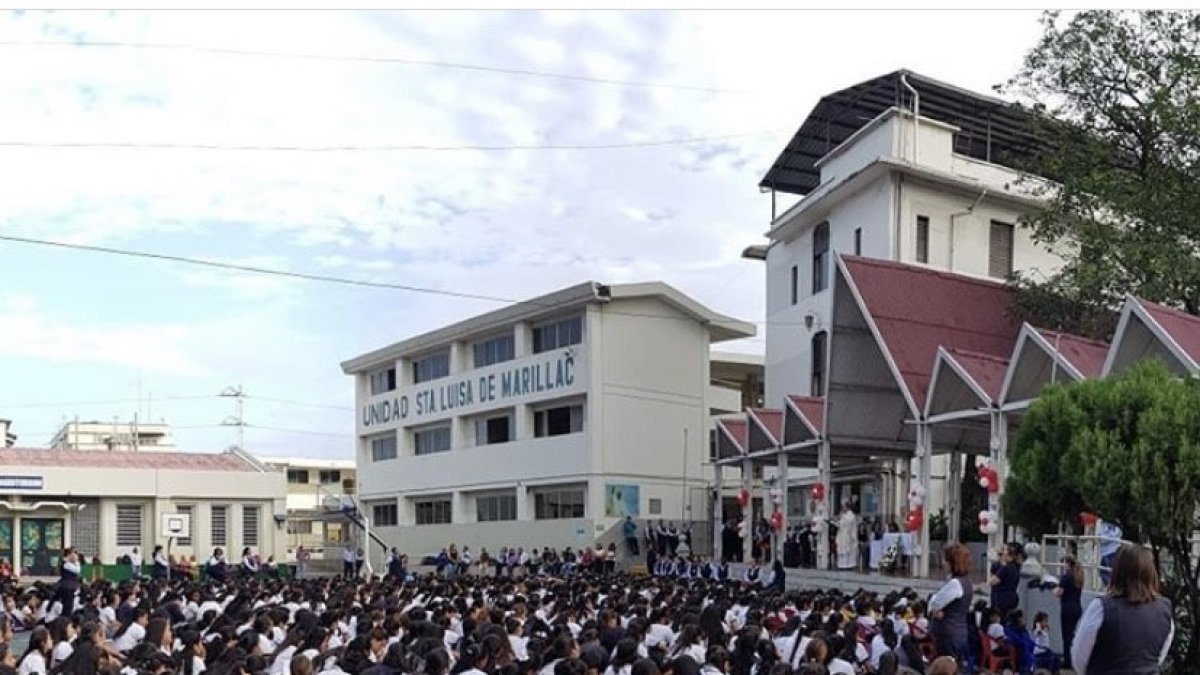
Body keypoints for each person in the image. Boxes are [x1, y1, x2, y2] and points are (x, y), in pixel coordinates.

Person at [1071, 544, 1173, 675]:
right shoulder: (1165, 610)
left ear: (1117, 571)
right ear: (1151, 573)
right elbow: (1158, 657)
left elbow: (1079, 657)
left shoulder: (1101, 608)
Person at [928, 543, 973, 668]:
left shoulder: (955, 584)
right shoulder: (966, 582)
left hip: (948, 633)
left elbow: (934, 603)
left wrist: (934, 609)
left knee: (946, 667)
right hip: (958, 630)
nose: (942, 563)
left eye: (945, 560)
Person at [1054, 554, 1084, 669]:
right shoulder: (1078, 576)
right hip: (1076, 607)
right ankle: (1073, 658)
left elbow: (1059, 593)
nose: (1063, 565)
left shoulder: (1066, 577)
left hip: (1067, 608)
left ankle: (1068, 661)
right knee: (1071, 634)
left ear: (1068, 564)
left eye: (1064, 563)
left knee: (1066, 636)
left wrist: (1053, 588)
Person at [988, 544, 1021, 616]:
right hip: (1012, 598)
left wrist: (1000, 567)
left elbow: (992, 581)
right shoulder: (1016, 567)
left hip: (1001, 600)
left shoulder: (1005, 568)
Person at [50, 548, 80, 619]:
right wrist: (76, 561)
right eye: (73, 554)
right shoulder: (66, 564)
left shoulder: (68, 563)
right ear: (68, 555)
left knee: (69, 606)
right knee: (67, 607)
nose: (75, 556)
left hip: (70, 587)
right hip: (67, 587)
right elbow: (77, 570)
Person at [835, 504, 857, 570]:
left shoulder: (851, 515)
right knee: (841, 550)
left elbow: (849, 522)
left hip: (848, 535)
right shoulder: (842, 515)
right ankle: (841, 565)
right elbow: (840, 524)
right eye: (842, 507)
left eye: (844, 507)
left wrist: (842, 516)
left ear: (847, 507)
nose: (842, 509)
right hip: (841, 535)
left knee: (847, 550)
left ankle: (849, 565)